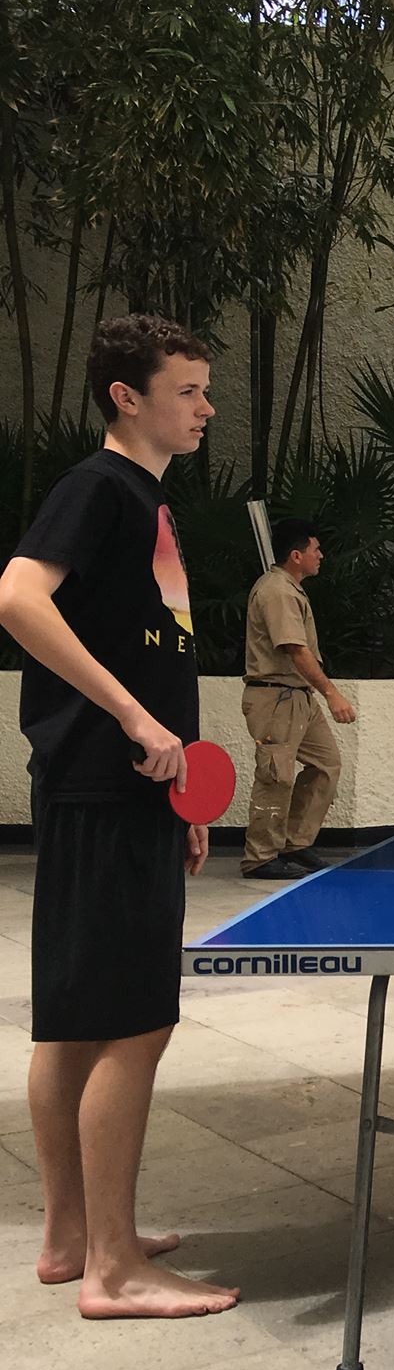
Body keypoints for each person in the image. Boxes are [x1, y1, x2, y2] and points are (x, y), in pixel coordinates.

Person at [0, 314, 240, 1318]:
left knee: (70, 1025)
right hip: (106, 785)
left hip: (126, 792)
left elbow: (149, 647)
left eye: (204, 389)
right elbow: (17, 597)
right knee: (132, 1027)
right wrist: (137, 719)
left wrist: (183, 793)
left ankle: (69, 1239)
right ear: (126, 398)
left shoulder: (143, 503)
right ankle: (114, 1271)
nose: (205, 407)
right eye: (187, 389)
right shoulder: (99, 489)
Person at [241, 519, 353, 879]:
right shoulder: (277, 591)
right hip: (276, 697)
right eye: (315, 550)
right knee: (277, 775)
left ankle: (295, 842)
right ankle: (260, 857)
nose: (321, 556)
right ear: (295, 555)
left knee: (326, 764)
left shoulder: (290, 589)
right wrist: (332, 693)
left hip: (297, 696)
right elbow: (294, 648)